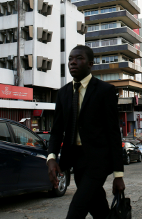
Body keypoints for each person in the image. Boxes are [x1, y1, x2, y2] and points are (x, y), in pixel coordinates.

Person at [47, 45, 124, 219]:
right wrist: (51, 157)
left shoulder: (105, 91)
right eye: (70, 59)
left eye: (79, 58)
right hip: (76, 160)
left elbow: (113, 133)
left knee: (76, 210)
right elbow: (57, 129)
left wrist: (118, 175)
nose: (73, 62)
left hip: (98, 161)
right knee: (98, 208)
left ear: (90, 64)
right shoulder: (63, 93)